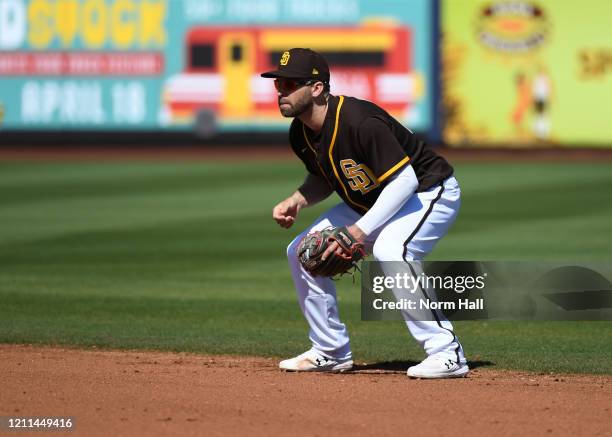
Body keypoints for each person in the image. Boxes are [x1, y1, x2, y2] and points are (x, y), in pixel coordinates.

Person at [261, 48, 468, 378]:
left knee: (392, 249)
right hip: (375, 200)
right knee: (300, 251)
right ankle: (330, 351)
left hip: (428, 192)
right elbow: (324, 175)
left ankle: (447, 352)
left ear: (317, 88)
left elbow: (404, 180)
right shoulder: (299, 133)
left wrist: (357, 232)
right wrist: (298, 199)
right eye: (278, 84)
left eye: (289, 84)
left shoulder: (359, 121)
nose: (281, 92)